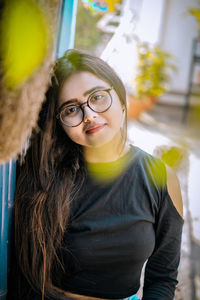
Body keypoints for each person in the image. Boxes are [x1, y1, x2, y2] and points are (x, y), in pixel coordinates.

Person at [8, 49, 183, 300]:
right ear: (60, 123)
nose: (89, 115)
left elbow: (163, 278)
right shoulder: (44, 179)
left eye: (98, 97)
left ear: (121, 100)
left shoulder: (162, 178)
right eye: (71, 110)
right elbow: (25, 277)